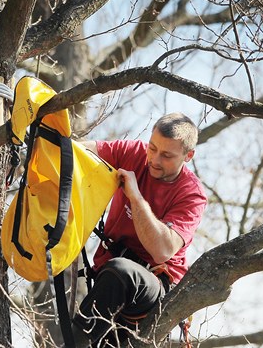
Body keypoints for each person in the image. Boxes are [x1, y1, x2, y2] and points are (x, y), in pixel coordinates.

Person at [71, 112, 207, 347]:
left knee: (122, 271)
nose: (154, 159)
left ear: (189, 155)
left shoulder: (191, 195)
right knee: (116, 272)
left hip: (154, 289)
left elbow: (162, 250)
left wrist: (134, 196)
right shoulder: (133, 153)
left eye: (166, 155)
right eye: (152, 148)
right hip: (110, 284)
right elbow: (80, 152)